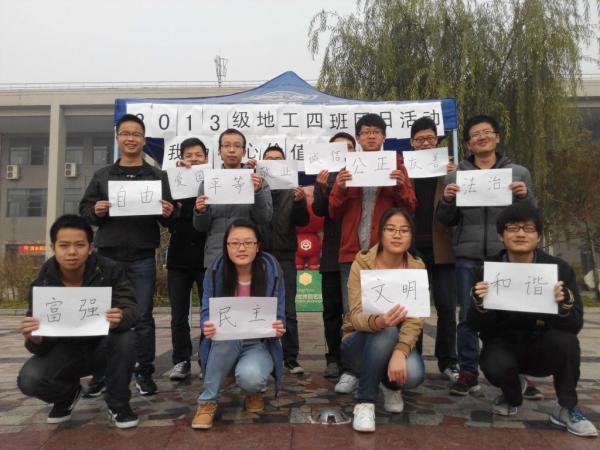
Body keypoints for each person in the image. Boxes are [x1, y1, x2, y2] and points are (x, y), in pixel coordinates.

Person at [468, 203, 598, 438]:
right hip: (504, 345)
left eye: (528, 229)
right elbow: (475, 325)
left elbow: (575, 324)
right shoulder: (487, 271)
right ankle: (512, 395)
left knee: (567, 342)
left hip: (544, 347)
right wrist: (480, 305)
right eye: (512, 228)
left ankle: (566, 407)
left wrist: (564, 306)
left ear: (538, 236)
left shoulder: (559, 269)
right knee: (494, 362)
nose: (520, 234)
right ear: (501, 235)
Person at [437, 114, 538, 396]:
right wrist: (447, 200)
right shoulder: (455, 177)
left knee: (510, 315)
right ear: (468, 144)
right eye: (475, 135)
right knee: (467, 317)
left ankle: (515, 373)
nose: (481, 137)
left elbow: (532, 217)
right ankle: (468, 372)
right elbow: (446, 220)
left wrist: (524, 196)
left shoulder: (518, 174)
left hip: (505, 255)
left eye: (486, 132)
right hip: (467, 256)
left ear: (497, 137)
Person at [79, 113, 174, 396]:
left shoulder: (157, 176)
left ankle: (144, 371)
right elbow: (85, 212)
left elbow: (170, 218)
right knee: (102, 315)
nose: (131, 138)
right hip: (107, 256)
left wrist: (170, 212)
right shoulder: (103, 175)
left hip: (143, 255)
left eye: (136, 134)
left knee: (143, 316)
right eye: (126, 133)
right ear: (118, 138)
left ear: (144, 140)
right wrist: (95, 211)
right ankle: (100, 373)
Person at [17, 215, 139, 428]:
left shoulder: (109, 270)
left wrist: (120, 316)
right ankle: (67, 394)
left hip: (103, 346)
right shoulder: (43, 283)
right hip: (65, 351)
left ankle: (118, 404)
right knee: (29, 380)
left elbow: (132, 308)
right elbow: (40, 346)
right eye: (64, 245)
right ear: (53, 247)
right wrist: (35, 339)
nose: (72, 252)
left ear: (91, 247)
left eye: (80, 245)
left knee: (126, 338)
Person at [329, 113, 416, 394]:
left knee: (388, 312)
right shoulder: (347, 167)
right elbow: (333, 211)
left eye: (376, 131)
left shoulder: (397, 165)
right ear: (358, 137)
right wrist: (340, 187)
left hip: (387, 254)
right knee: (352, 314)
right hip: (352, 253)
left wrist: (399, 185)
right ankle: (351, 371)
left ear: (384, 137)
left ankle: (386, 368)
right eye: (365, 132)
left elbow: (411, 207)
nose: (370, 136)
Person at [191, 218, 286, 429]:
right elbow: (206, 311)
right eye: (234, 243)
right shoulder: (215, 271)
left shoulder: (271, 271)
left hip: (257, 344)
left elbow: (279, 312)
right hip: (224, 343)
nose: (241, 248)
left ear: (257, 246)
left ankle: (252, 391)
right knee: (226, 339)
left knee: (251, 378)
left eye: (248, 242)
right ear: (226, 246)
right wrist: (207, 325)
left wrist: (279, 326)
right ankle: (207, 402)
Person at [342, 207, 425, 432]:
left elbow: (415, 319)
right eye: (390, 229)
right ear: (380, 233)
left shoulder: (416, 267)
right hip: (358, 343)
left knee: (414, 375)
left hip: (395, 342)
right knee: (386, 329)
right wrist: (379, 322)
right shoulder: (362, 263)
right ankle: (365, 402)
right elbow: (355, 316)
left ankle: (390, 386)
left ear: (411, 236)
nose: (397, 235)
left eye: (404, 230)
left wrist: (400, 351)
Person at [409, 116, 459, 382]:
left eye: (430, 139)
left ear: (437, 141)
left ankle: (448, 360)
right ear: (412, 143)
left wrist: (452, 175)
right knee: (414, 308)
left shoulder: (449, 171)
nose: (425, 144)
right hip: (413, 250)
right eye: (420, 140)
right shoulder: (406, 171)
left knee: (447, 307)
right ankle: (413, 356)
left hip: (443, 249)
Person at [259, 145, 309, 374]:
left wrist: (299, 202)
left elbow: (303, 221)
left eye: (278, 159)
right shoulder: (255, 188)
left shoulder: (292, 190)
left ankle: (291, 357)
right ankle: (262, 355)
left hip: (286, 256)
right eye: (268, 159)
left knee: (288, 309)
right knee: (261, 307)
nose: (273, 163)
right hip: (259, 256)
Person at [193, 128, 273, 270]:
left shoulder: (258, 182)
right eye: (226, 145)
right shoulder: (208, 183)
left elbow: (264, 218)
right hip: (216, 255)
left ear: (244, 151)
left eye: (237, 146)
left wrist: (257, 192)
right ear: (219, 151)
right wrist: (200, 212)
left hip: (247, 254)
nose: (231, 150)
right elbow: (200, 227)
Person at [313, 132, 356, 379]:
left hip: (357, 253)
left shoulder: (365, 173)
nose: (343, 152)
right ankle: (333, 357)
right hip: (332, 252)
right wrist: (322, 189)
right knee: (331, 310)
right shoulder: (325, 175)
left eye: (348, 147)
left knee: (355, 311)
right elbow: (320, 211)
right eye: (338, 148)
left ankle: (353, 359)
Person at [166, 138, 208, 380]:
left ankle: (206, 359)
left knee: (207, 312)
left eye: (198, 155)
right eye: (189, 155)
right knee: (178, 315)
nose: (194, 159)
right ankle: (181, 360)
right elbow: (166, 220)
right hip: (178, 257)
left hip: (205, 257)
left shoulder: (213, 180)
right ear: (181, 157)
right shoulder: (173, 181)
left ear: (206, 158)